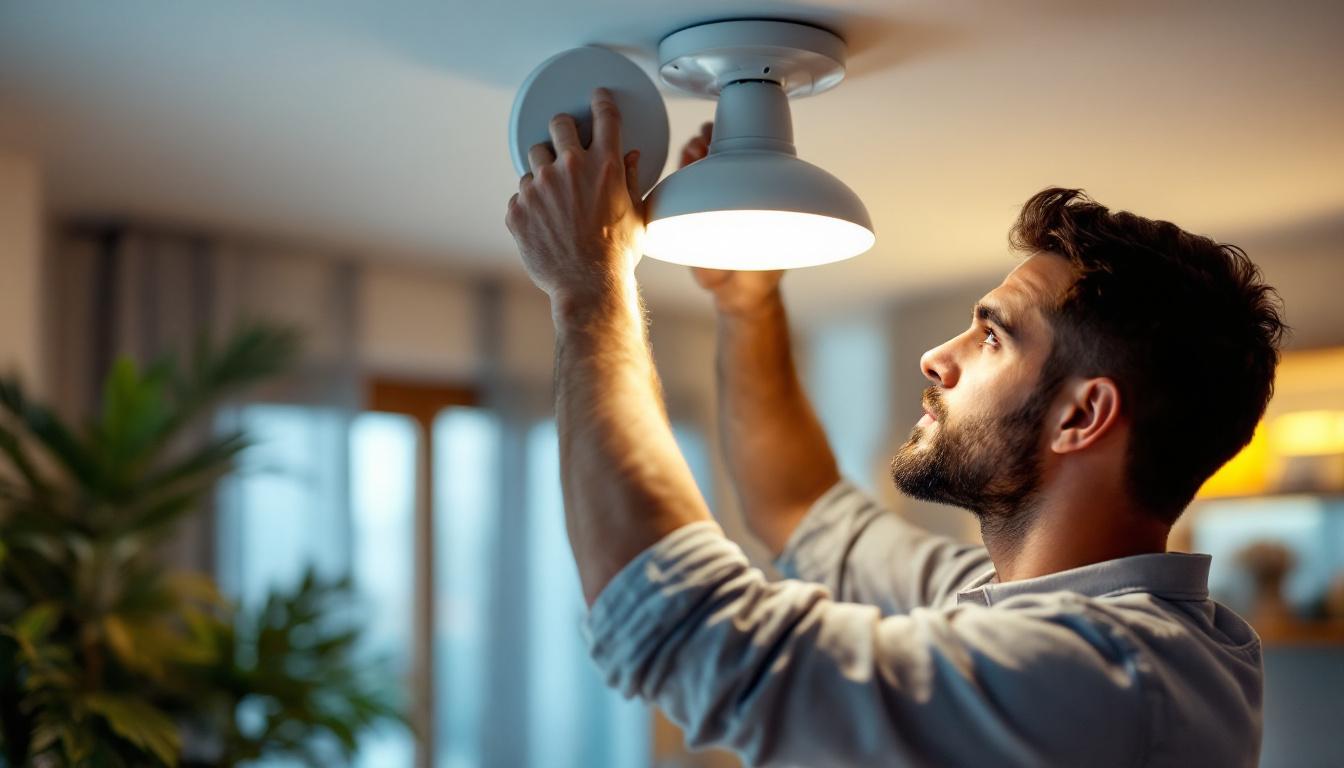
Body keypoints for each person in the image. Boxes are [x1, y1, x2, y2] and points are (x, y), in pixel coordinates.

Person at [504, 88, 1283, 768]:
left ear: (1081, 416)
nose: (936, 357)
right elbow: (802, 513)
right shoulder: (1023, 604)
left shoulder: (1111, 674)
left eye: (992, 335)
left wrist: (588, 286)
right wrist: (748, 302)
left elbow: (685, 629)